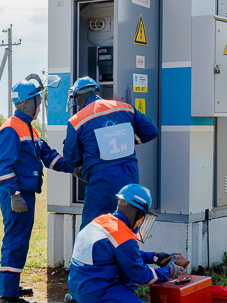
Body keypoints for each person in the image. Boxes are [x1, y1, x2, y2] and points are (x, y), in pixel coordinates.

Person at [68, 184, 193, 303]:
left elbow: (122, 255)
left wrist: (155, 257)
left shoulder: (103, 221)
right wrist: (171, 270)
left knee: (127, 285)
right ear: (137, 211)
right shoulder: (123, 236)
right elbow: (143, 276)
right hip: (96, 292)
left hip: (80, 285)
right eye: (142, 216)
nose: (142, 220)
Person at [0, 75, 73, 303]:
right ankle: (8, 296)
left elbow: (48, 156)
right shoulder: (11, 128)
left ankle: (11, 286)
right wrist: (14, 193)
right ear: (29, 102)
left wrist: (74, 167)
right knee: (15, 240)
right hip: (17, 197)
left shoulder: (30, 129)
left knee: (20, 239)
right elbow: (4, 166)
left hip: (25, 195)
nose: (40, 105)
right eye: (38, 100)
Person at [63, 77, 159, 229]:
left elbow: (72, 159)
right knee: (127, 227)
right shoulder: (124, 108)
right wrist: (129, 138)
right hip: (130, 179)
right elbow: (151, 131)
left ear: (77, 99)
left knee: (93, 230)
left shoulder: (77, 121)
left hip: (101, 184)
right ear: (97, 91)